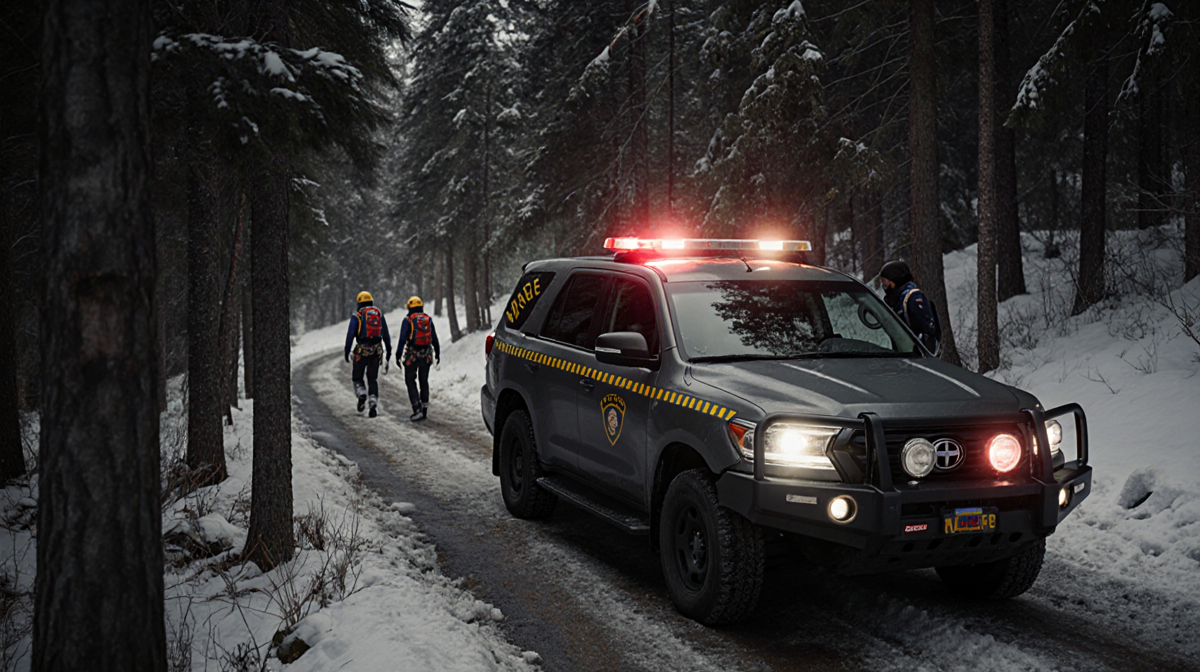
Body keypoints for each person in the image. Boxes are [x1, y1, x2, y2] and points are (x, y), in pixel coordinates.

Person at [344, 291, 392, 417]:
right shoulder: (378, 314)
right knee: (372, 379)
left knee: (357, 377)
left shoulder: (358, 315)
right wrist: (388, 351)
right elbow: (385, 334)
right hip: (376, 352)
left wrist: (347, 350)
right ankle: (372, 403)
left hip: (361, 351)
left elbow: (350, 334)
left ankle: (361, 394)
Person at [878, 260, 941, 355]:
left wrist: (922, 354)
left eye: (885, 282)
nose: (884, 287)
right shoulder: (895, 300)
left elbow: (927, 330)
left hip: (915, 356)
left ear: (894, 280)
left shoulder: (913, 297)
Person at [397, 296, 440, 421]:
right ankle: (424, 408)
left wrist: (398, 355)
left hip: (412, 355)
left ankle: (417, 408)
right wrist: (437, 354)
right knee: (423, 380)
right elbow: (434, 338)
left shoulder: (408, 320)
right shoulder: (427, 319)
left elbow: (402, 339)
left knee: (410, 380)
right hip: (426, 355)